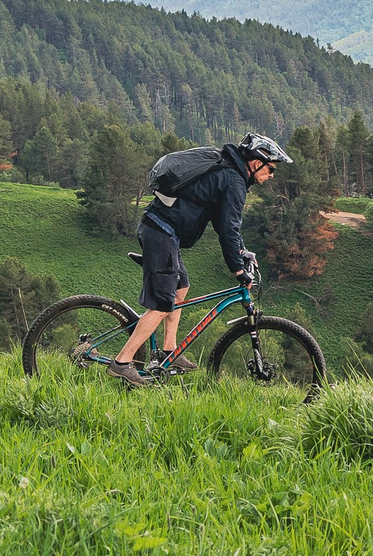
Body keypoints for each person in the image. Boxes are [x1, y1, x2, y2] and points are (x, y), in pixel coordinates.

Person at [111, 133, 293, 386]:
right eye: (271, 168)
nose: (272, 175)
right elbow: (229, 228)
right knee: (162, 304)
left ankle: (169, 351)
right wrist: (239, 270)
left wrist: (241, 252)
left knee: (180, 288)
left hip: (164, 232)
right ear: (255, 162)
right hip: (160, 232)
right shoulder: (234, 181)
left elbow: (224, 224)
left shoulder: (230, 175)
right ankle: (122, 362)